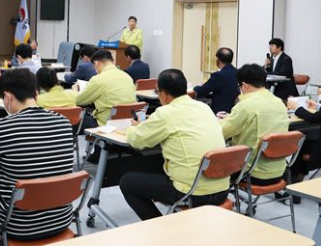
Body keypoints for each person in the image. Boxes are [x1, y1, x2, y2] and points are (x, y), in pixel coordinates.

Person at [0, 69, 74, 242]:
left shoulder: (1, 128)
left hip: (18, 226)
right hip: (61, 220)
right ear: (36, 94)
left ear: (7, 97)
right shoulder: (64, 123)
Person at [120, 69, 229, 221]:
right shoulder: (204, 107)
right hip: (222, 188)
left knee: (127, 182)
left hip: (193, 192)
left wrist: (134, 127)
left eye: (157, 92)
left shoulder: (165, 113)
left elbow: (137, 141)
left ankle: (161, 227)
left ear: (164, 94)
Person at [218, 64, 289, 185]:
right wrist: (232, 117)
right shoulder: (279, 103)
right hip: (279, 171)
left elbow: (221, 133)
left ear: (244, 85)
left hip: (251, 172)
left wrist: (219, 121)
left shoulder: (245, 106)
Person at [75, 49, 136, 128]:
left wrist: (75, 90)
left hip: (106, 124)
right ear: (112, 61)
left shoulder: (98, 79)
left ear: (97, 63)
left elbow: (79, 100)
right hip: (127, 122)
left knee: (71, 120)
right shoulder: (127, 77)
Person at [288, 88, 321, 184]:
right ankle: (298, 181)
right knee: (304, 145)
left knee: (299, 148)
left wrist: (297, 108)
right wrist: (317, 106)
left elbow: (313, 118)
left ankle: (294, 182)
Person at [193, 47, 239, 114]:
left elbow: (202, 91)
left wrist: (196, 87)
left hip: (219, 112)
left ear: (218, 60)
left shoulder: (219, 75)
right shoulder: (238, 73)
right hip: (233, 111)